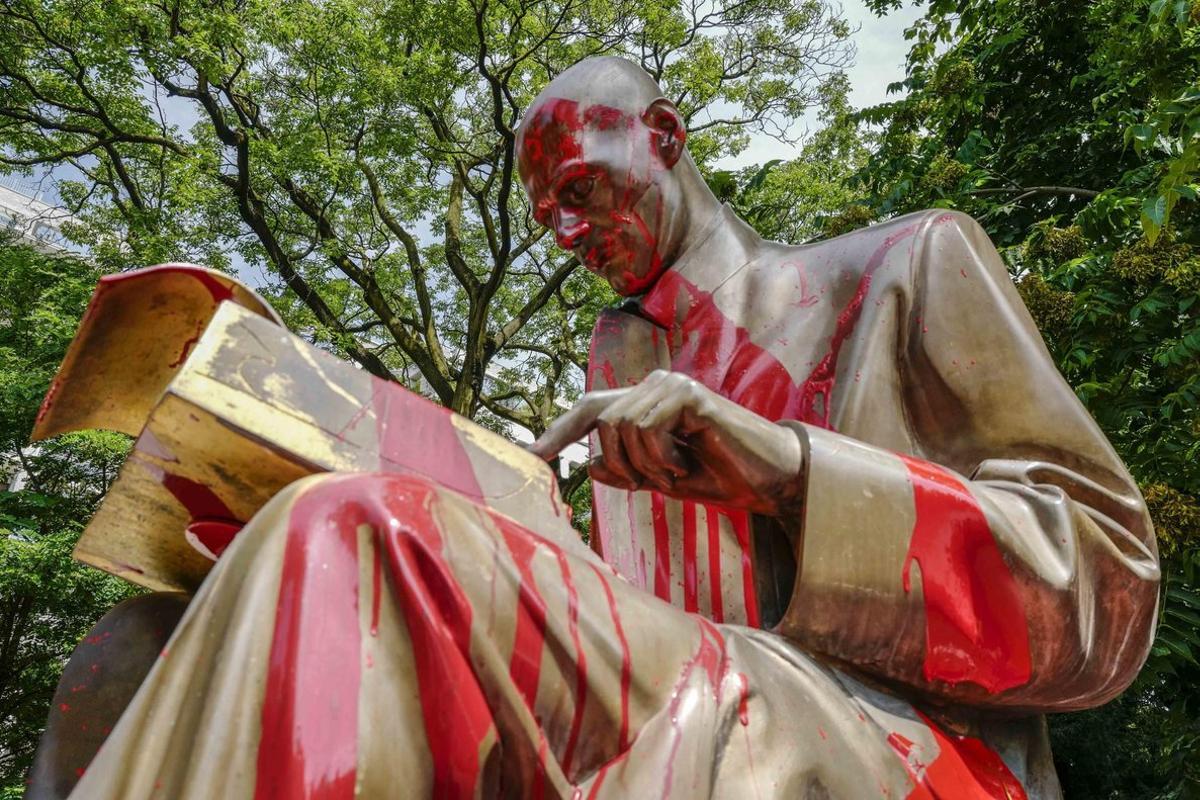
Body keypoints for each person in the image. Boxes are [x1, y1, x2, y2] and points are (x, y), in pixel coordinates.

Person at [54, 56, 1157, 799]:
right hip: (684, 689)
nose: (568, 231)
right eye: (547, 217)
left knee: (360, 537)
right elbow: (637, 624)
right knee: (128, 648)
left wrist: (791, 469)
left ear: (666, 137)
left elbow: (1106, 591)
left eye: (583, 190)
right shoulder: (616, 363)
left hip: (904, 745)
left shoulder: (903, 267)